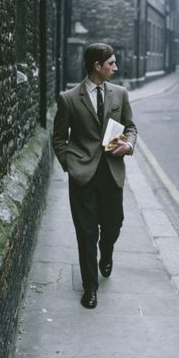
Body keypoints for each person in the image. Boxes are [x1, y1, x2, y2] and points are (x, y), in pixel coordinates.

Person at [52, 43, 137, 309]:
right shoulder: (68, 98)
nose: (116, 67)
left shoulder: (120, 94)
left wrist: (129, 145)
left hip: (112, 172)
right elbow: (58, 138)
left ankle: (107, 252)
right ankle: (90, 287)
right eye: (111, 63)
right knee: (86, 233)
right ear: (96, 66)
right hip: (83, 176)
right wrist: (70, 165)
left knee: (113, 225)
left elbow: (130, 126)